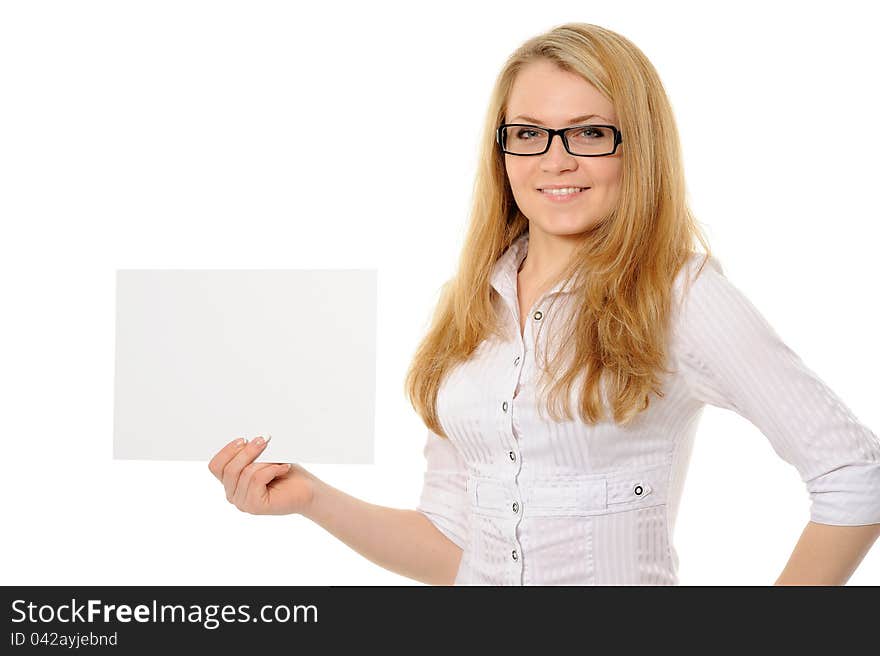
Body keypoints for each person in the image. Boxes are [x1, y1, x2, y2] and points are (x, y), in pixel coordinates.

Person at [207, 22, 880, 585]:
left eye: (589, 133)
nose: (554, 160)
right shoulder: (469, 305)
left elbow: (856, 473)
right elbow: (452, 548)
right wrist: (311, 499)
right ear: (502, 150)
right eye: (527, 133)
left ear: (636, 148)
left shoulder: (679, 294)